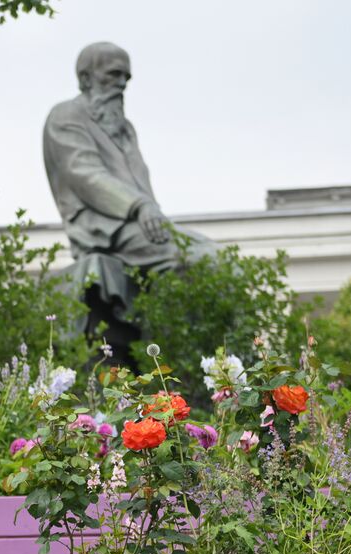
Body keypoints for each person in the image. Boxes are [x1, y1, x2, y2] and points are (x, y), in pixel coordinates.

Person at [42, 41, 217, 359]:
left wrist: (150, 211)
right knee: (198, 259)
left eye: (126, 77)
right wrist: (139, 206)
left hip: (137, 225)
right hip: (104, 230)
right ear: (85, 78)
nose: (122, 84)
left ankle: (193, 361)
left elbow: (139, 181)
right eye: (113, 75)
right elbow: (86, 175)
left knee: (214, 257)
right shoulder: (66, 115)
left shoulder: (125, 129)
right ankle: (168, 360)